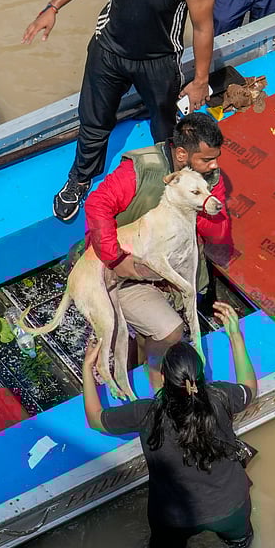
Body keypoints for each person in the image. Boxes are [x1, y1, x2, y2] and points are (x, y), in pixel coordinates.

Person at [21, 0, 215, 222]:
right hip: (108, 50)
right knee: (93, 121)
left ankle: (175, 182)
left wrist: (200, 80)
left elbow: (202, 27)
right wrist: (52, 8)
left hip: (158, 60)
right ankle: (80, 178)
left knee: (165, 126)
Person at [83, 302, 257, 548]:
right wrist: (235, 336)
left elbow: (95, 419)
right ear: (199, 378)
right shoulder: (221, 396)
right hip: (232, 507)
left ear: (163, 377)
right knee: (241, 544)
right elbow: (249, 387)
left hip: (175, 518)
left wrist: (87, 370)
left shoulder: (145, 413)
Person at [83, 112, 231, 390]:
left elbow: (219, 231)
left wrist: (194, 210)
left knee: (156, 330)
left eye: (216, 158)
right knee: (152, 334)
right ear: (183, 155)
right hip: (120, 264)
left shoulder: (209, 180)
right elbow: (97, 205)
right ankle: (138, 379)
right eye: (207, 159)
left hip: (164, 271)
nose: (214, 165)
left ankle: (147, 363)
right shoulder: (140, 170)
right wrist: (116, 258)